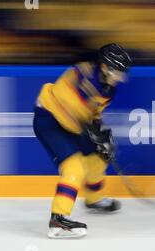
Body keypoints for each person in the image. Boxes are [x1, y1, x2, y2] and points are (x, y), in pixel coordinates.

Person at [33, 43, 132, 238]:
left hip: (73, 124)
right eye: (117, 72)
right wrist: (91, 133)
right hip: (50, 119)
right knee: (74, 167)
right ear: (104, 67)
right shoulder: (81, 72)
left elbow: (93, 114)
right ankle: (58, 219)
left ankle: (93, 199)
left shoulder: (108, 90)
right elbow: (65, 105)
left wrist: (99, 133)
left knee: (99, 156)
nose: (120, 77)